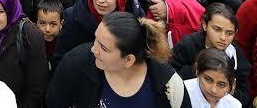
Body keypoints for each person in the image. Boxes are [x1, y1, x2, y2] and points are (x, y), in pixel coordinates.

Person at [46, 12, 188, 108]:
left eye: (104, 47)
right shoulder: (75, 63)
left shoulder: (169, 85)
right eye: (96, 39)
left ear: (128, 60)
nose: (93, 49)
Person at [171, 3, 252, 106]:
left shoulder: (235, 54)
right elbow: (169, 76)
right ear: (205, 24)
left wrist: (224, 92)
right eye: (217, 29)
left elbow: (244, 93)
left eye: (229, 33)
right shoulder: (188, 45)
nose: (223, 38)